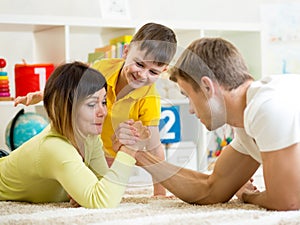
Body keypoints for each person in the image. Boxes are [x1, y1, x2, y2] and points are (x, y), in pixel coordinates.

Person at [118, 37, 300, 211]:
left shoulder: (267, 105)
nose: (190, 109)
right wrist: (139, 155)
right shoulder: (247, 123)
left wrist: (247, 196)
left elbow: (287, 200)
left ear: (207, 87)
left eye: (187, 95)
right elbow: (211, 190)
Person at [14, 22, 177, 196]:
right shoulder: (103, 67)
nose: (143, 75)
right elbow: (72, 85)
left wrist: (160, 193)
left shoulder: (149, 99)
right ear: (126, 51)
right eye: (139, 64)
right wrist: (42, 94)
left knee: (97, 191)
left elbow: (154, 148)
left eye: (153, 72)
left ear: (164, 71)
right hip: (82, 144)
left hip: (109, 157)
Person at [1, 61, 138, 208]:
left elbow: (106, 184)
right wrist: (128, 150)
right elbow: (102, 201)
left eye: (103, 102)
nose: (103, 112)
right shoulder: (55, 147)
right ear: (67, 108)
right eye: (92, 104)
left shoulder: (90, 137)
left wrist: (84, 193)